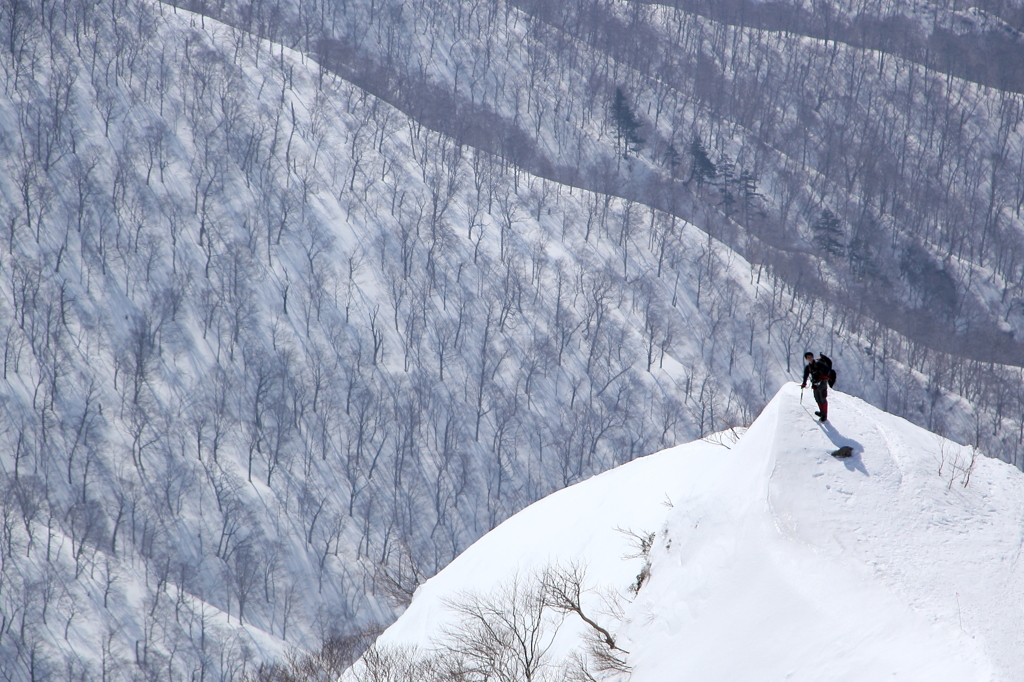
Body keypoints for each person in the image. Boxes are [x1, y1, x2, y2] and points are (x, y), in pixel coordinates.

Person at [801, 351, 831, 422]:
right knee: (817, 398)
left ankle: (824, 415)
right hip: (815, 383)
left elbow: (827, 369)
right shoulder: (808, 367)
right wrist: (804, 383)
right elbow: (805, 376)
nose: (809, 358)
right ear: (806, 359)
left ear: (813, 357)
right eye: (808, 357)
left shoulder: (819, 363)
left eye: (810, 357)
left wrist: (822, 375)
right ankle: (821, 412)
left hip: (822, 382)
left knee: (823, 398)